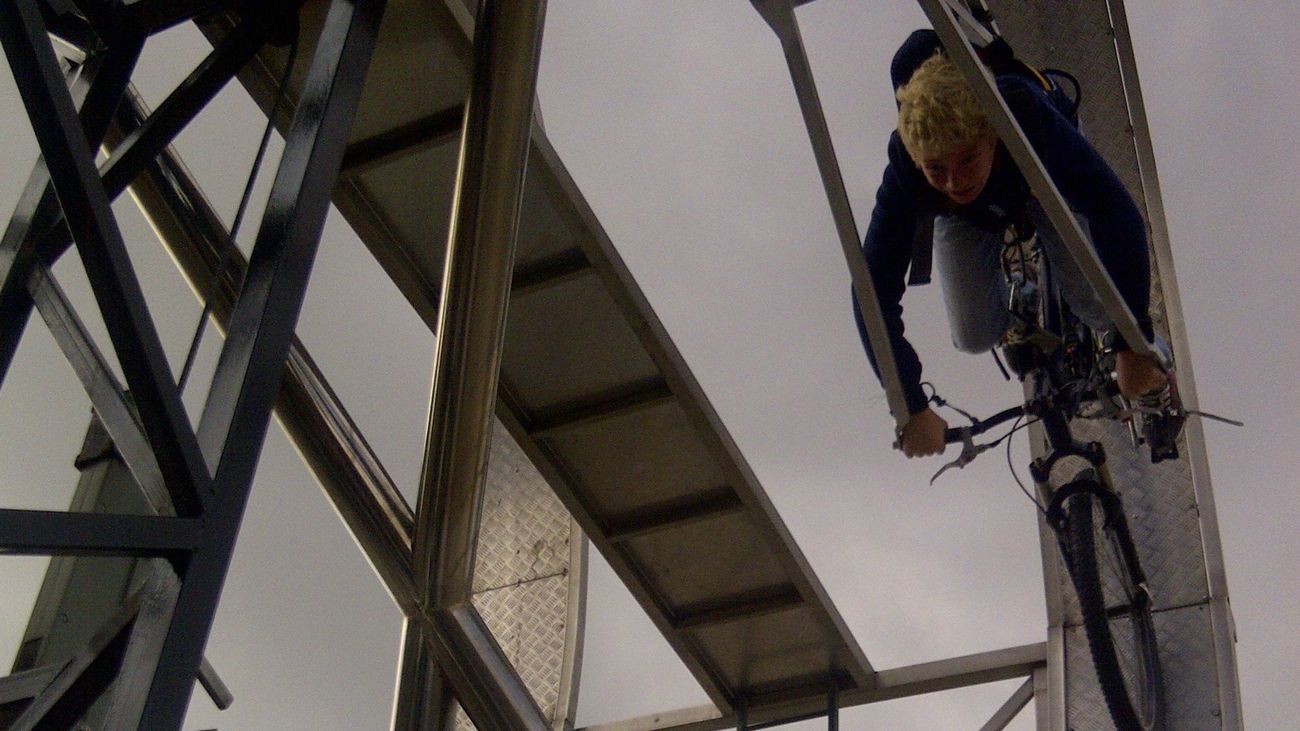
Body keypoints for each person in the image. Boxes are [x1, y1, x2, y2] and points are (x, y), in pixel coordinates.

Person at [854, 29, 1172, 459]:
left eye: (966, 158)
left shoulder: (1022, 116)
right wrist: (910, 405)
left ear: (989, 135)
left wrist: (1131, 340)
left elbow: (1114, 211)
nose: (955, 180)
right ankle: (1021, 302)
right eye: (936, 169)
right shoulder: (907, 170)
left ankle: (1147, 351)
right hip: (965, 219)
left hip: (1039, 183)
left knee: (1097, 307)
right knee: (972, 334)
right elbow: (871, 290)